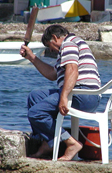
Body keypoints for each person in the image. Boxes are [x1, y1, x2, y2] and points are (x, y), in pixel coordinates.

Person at [20, 25, 101, 161]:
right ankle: (48, 142)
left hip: (83, 95)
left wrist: (63, 97)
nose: (51, 49)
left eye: (49, 45)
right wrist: (31, 57)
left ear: (55, 38)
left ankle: (71, 143)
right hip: (84, 94)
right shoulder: (72, 45)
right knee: (35, 96)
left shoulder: (68, 43)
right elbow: (53, 74)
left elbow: (72, 70)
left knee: (35, 113)